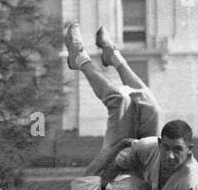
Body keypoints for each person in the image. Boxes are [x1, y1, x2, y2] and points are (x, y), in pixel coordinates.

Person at [64, 23, 162, 167]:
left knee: (120, 100)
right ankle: (114, 57)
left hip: (117, 170)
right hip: (150, 162)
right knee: (152, 108)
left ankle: (80, 59)